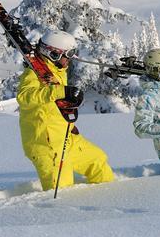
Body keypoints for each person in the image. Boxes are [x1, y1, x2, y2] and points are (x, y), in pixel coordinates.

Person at [17, 29, 115, 191]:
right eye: (68, 54)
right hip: (46, 144)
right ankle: (64, 214)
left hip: (66, 137)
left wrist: (69, 124)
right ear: (53, 54)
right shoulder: (32, 74)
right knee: (62, 189)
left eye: (73, 53)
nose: (70, 59)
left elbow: (53, 106)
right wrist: (62, 91)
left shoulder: (57, 71)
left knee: (97, 161)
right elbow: (25, 97)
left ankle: (108, 201)